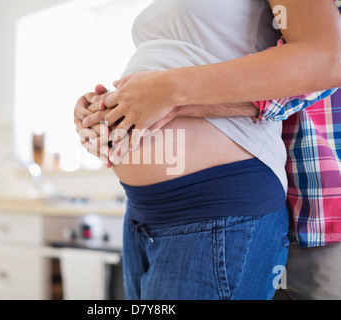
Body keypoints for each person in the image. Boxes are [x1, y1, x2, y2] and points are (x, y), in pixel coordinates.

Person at [74, 0, 341, 300]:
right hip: (141, 214)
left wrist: (168, 94)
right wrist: (108, 110)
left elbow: (325, 57)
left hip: (217, 208)